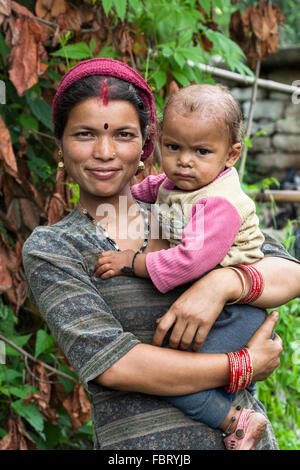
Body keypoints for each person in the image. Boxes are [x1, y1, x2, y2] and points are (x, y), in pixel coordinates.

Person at [22, 58, 300, 451]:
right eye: (84, 134)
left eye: (123, 134)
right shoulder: (56, 247)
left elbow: (289, 272)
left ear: (144, 144)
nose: (104, 151)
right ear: (61, 146)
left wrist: (221, 284)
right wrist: (242, 366)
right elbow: (115, 366)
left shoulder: (194, 206)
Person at [91, 83, 274, 449]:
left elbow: (190, 262)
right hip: (226, 305)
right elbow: (150, 190)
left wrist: (132, 262)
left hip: (238, 312)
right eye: (173, 147)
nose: (184, 161)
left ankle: (236, 421)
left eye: (201, 151)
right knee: (189, 371)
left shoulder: (219, 204)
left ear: (231, 154)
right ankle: (241, 394)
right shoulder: (181, 181)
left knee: (176, 378)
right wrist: (118, 191)